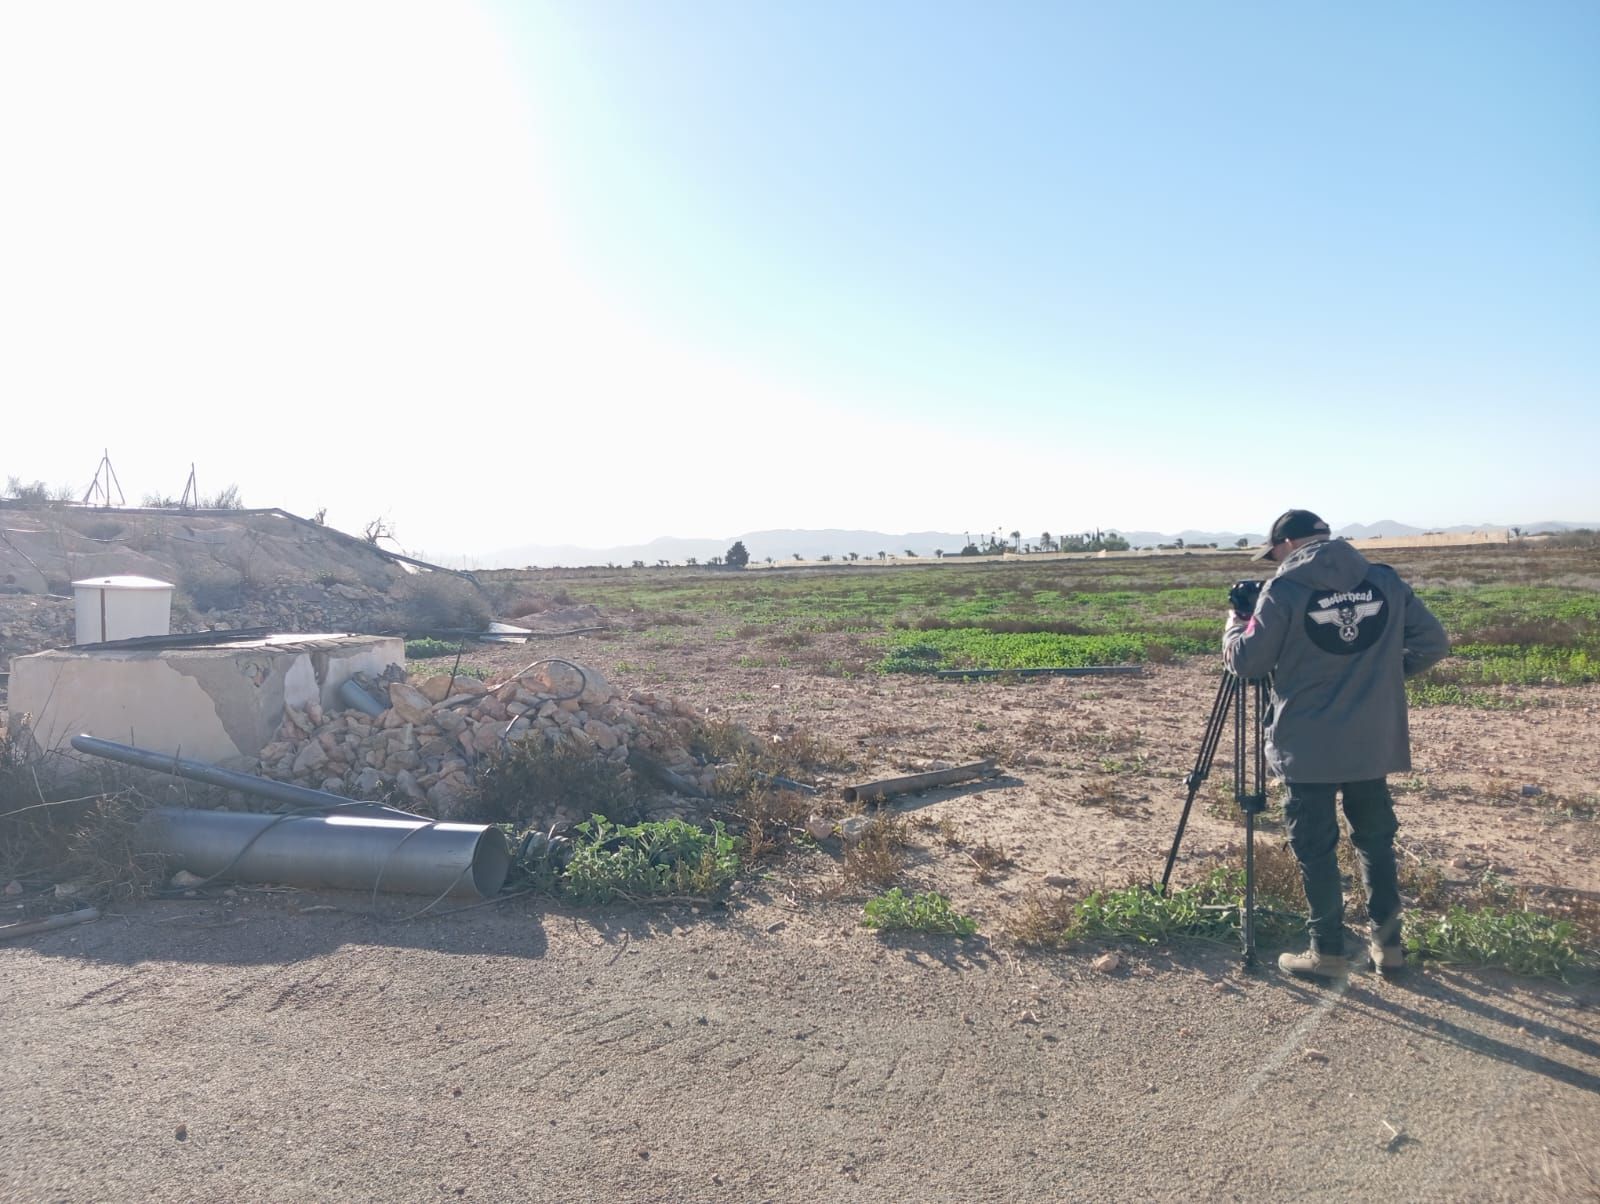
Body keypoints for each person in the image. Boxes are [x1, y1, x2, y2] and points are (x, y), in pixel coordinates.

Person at [1223, 509, 1449, 979]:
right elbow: (1432, 643)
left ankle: (1326, 952)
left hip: (1306, 746)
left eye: (1274, 554)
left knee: (1315, 847)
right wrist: (1381, 679)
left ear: (1286, 544)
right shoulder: (1385, 581)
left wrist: (1236, 621)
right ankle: (1389, 948)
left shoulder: (1283, 590)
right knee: (1376, 842)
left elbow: (1246, 663)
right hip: (1371, 741)